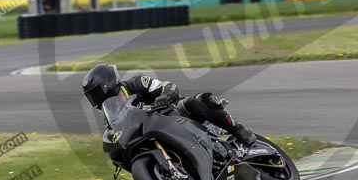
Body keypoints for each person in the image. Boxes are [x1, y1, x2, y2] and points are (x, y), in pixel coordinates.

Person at [82, 64, 257, 146]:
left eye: (95, 92)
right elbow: (116, 133)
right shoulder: (110, 113)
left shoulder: (136, 84)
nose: (94, 98)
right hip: (153, 132)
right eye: (91, 95)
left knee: (201, 100)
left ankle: (238, 130)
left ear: (107, 82)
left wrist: (164, 96)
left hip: (175, 114)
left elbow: (167, 86)